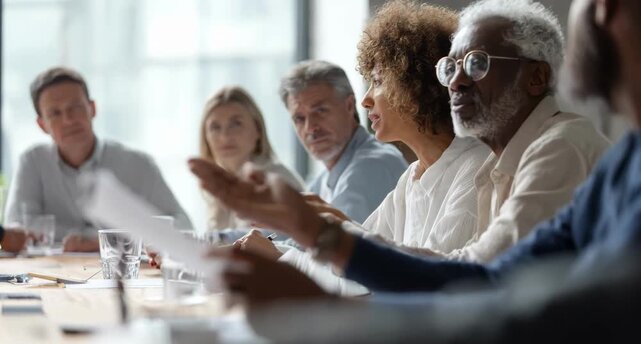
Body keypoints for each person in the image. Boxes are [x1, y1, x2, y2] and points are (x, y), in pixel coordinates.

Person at [187, 0, 626, 299]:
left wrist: (319, 234)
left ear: (535, 78)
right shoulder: (497, 163)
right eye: (449, 67)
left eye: (476, 64)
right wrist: (314, 236)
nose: (455, 80)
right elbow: (467, 277)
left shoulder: (555, 149)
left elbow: (473, 282)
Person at [236, 0, 489, 296]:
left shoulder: (476, 171)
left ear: (416, 85)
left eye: (378, 81)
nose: (366, 100)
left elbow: (423, 281)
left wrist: (305, 243)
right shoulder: (412, 180)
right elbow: (355, 270)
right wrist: (276, 251)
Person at [4, 67, 192, 252]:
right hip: (53, 277)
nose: (68, 120)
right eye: (55, 113)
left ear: (92, 109)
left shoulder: (138, 164)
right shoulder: (32, 162)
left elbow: (184, 227)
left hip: (126, 276)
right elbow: (18, 230)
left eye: (75, 108)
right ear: (42, 124)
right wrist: (124, 234)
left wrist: (96, 241)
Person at [280, 60, 408, 224]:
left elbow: (336, 245)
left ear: (349, 105)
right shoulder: (324, 178)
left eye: (320, 110)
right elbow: (286, 232)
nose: (310, 127)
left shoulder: (372, 165)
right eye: (299, 118)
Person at [198, 86, 304, 232]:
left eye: (236, 124)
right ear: (205, 137)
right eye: (215, 127)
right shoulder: (220, 186)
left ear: (258, 130)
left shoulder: (275, 180)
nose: (225, 136)